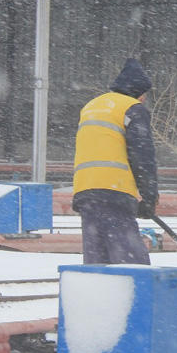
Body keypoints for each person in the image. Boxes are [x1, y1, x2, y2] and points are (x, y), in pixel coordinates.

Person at [72, 58, 159, 265]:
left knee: (98, 261)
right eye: (144, 95)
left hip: (86, 191)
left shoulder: (91, 106)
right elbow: (142, 154)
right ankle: (137, 297)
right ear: (139, 92)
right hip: (114, 191)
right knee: (132, 264)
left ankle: (98, 296)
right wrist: (148, 197)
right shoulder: (132, 108)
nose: (144, 99)